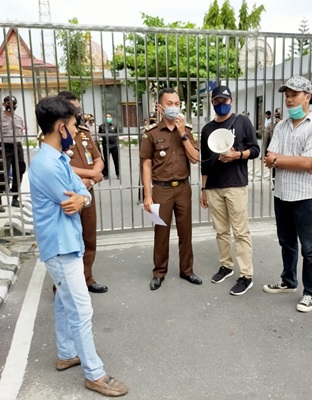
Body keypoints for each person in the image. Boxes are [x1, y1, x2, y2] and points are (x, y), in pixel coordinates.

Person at [29, 96, 128, 397]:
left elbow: (82, 193)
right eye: (73, 125)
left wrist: (83, 197)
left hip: (67, 242)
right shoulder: (47, 165)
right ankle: (95, 374)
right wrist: (82, 196)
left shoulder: (59, 158)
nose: (76, 129)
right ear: (61, 128)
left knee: (64, 303)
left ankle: (66, 353)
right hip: (60, 247)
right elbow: (74, 196)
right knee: (81, 309)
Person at [263, 76, 312, 312]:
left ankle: (310, 292)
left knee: (309, 247)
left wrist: (280, 160)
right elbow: (268, 157)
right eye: (287, 95)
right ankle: (288, 281)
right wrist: (296, 161)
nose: (289, 100)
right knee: (287, 242)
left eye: (294, 95)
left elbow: (309, 162)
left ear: (307, 97)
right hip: (282, 194)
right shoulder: (281, 126)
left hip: (305, 197)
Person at [140, 88, 202, 291]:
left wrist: (183, 134)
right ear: (160, 107)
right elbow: (146, 165)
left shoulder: (187, 130)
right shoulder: (151, 133)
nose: (174, 107)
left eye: (177, 104)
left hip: (183, 188)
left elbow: (195, 158)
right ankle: (159, 272)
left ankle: (187, 270)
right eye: (169, 104)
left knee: (186, 232)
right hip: (161, 190)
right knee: (161, 232)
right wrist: (147, 195)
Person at [200, 85, 260, 296]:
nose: (220, 104)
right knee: (221, 230)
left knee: (241, 231)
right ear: (212, 102)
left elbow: (255, 150)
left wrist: (237, 155)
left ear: (231, 101)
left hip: (235, 184)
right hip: (214, 186)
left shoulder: (242, 122)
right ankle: (226, 265)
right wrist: (203, 188)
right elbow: (204, 162)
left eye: (224, 101)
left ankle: (246, 275)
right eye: (216, 101)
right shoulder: (207, 129)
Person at [57, 91, 107, 294]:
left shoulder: (84, 133)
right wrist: (90, 175)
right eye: (74, 108)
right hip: (68, 196)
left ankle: (86, 278)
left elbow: (98, 158)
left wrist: (93, 175)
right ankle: (62, 286)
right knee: (68, 242)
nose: (78, 112)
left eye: (78, 108)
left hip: (87, 194)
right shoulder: (55, 135)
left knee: (89, 238)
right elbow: (60, 165)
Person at [0, 95, 26, 211]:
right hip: (4, 147)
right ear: (3, 104)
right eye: (8, 103)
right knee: (2, 172)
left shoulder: (19, 119)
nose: (11, 105)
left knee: (19, 170)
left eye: (14, 103)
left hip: (17, 146)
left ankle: (15, 198)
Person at [99, 113, 119, 179]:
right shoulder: (101, 126)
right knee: (106, 161)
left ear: (111, 118)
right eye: (107, 117)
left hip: (114, 146)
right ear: (105, 118)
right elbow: (100, 134)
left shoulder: (114, 126)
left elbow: (117, 134)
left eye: (109, 117)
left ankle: (118, 173)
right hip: (106, 146)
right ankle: (106, 174)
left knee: (116, 160)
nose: (108, 118)